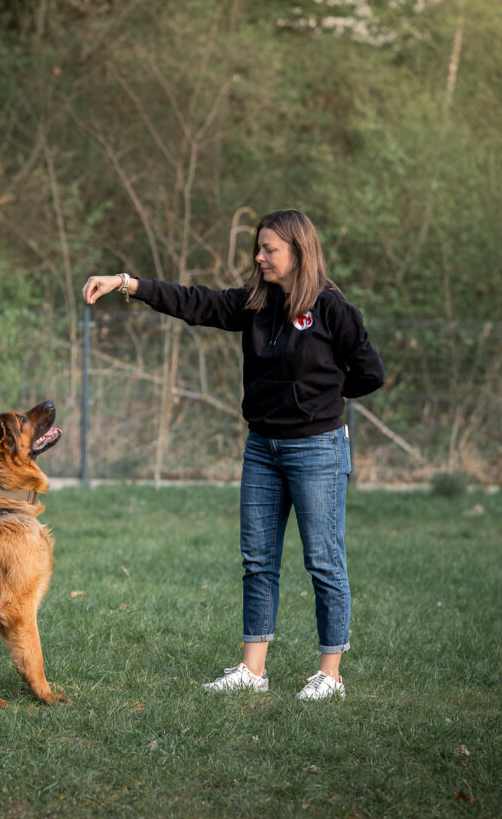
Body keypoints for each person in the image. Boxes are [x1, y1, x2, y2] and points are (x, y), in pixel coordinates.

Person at [82, 208, 384, 700]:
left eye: (269, 249)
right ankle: (252, 671)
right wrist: (126, 283)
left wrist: (320, 398)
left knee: (324, 562)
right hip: (262, 448)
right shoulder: (255, 304)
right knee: (258, 560)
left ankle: (330, 675)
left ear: (298, 252)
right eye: (258, 248)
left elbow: (371, 372)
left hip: (317, 449)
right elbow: (193, 301)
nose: (259, 257)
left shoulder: (332, 308)